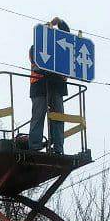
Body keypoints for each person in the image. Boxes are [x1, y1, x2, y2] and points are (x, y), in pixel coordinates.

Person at [28, 17, 69, 154]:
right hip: (40, 85)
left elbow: (67, 38)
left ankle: (58, 147)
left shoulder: (59, 47)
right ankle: (34, 145)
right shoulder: (35, 48)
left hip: (56, 86)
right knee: (39, 116)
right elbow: (39, 65)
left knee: (58, 117)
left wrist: (60, 23)